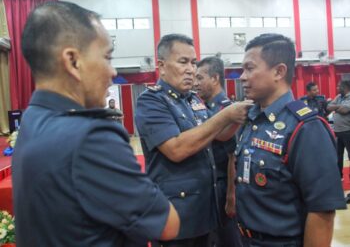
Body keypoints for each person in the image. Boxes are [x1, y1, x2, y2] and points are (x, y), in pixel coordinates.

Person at [12, 1, 180, 247]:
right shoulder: (90, 137)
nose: (112, 72)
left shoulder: (32, 119)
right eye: (107, 57)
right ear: (73, 61)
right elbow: (168, 224)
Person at [135, 34, 252, 247]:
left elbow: (219, 134)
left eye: (193, 62)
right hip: (178, 217)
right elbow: (176, 149)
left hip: (206, 210)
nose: (191, 69)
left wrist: (239, 115)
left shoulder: (193, 100)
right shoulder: (151, 101)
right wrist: (226, 115)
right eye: (183, 62)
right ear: (161, 66)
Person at [235, 33, 346, 247]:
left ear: (279, 71)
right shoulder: (252, 119)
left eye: (249, 68)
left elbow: (322, 212)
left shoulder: (306, 127)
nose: (242, 76)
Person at [194, 56, 242, 247]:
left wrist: (231, 195)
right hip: (210, 185)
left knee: (228, 238)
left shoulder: (227, 110)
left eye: (200, 78)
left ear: (215, 78)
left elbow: (232, 156)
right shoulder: (202, 107)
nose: (196, 84)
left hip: (223, 185)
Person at [327, 79, 350, 180]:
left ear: (345, 87)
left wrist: (335, 107)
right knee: (338, 155)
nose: (337, 88)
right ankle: (339, 176)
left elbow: (345, 110)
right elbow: (328, 107)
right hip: (338, 132)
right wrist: (339, 107)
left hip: (348, 131)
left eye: (338, 86)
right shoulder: (339, 97)